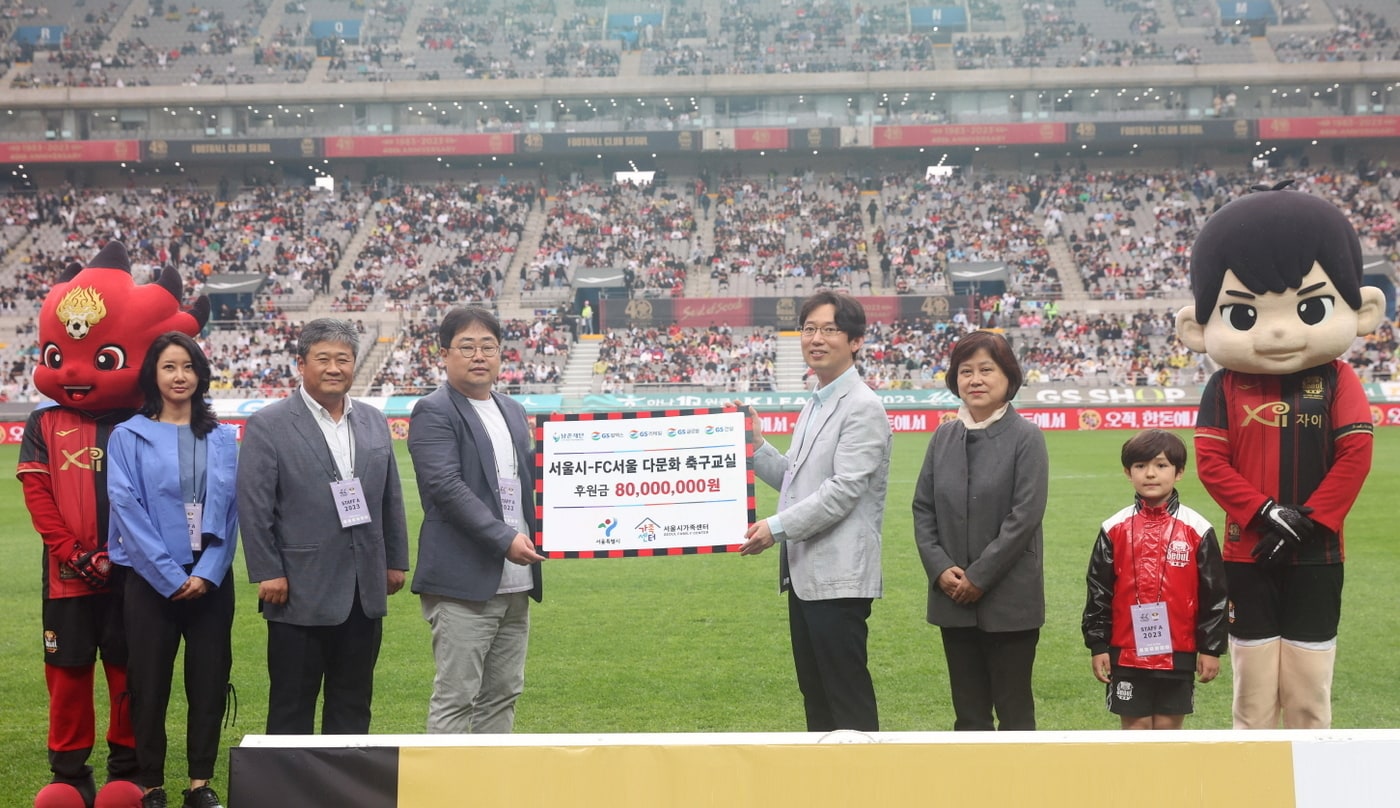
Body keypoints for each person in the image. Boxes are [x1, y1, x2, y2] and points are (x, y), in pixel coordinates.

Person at [1175, 183, 1385, 729]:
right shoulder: (1224, 386)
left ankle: (1309, 784)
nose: (1276, 330)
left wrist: (1306, 523)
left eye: (1310, 307)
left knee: (1309, 690)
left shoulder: (1339, 377)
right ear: (1198, 327)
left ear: (1361, 310)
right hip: (1248, 556)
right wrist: (1267, 514)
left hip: (1318, 555)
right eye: (1244, 315)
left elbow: (1355, 456)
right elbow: (1213, 466)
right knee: (1253, 689)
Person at [20, 241, 208, 808]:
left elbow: (164, 497)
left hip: (135, 575)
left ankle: (126, 769)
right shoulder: (43, 421)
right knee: (69, 673)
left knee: (128, 674)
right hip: (67, 577)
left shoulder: (144, 422)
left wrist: (127, 554)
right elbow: (38, 493)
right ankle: (69, 774)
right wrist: (74, 552)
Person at [238, 318, 410, 735]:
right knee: (291, 709)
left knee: (353, 706)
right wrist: (268, 571)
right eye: (323, 358)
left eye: (344, 359)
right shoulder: (270, 423)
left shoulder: (372, 421)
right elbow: (254, 505)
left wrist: (395, 561)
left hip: (362, 589)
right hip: (298, 590)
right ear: (301, 363)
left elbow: (391, 498)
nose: (334, 368)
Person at [741, 291, 891, 732]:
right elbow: (798, 478)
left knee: (845, 697)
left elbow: (843, 491)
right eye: (809, 329)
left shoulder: (863, 406)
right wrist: (756, 449)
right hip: (807, 576)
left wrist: (776, 527)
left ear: (856, 340)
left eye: (829, 329)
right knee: (818, 696)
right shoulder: (816, 401)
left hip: (840, 578)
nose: (816, 338)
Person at [107, 333, 238, 808]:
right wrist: (169, 575)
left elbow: (229, 512)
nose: (179, 376)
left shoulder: (223, 438)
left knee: (208, 681)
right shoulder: (128, 436)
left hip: (210, 580)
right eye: (169, 367)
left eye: (188, 366)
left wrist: (206, 572)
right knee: (149, 684)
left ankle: (200, 784)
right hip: (149, 582)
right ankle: (151, 785)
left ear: (201, 374)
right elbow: (126, 507)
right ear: (153, 375)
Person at [408, 306, 545, 734]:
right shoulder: (433, 410)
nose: (479, 355)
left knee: (504, 693)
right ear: (444, 354)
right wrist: (503, 538)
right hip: (462, 583)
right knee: (457, 697)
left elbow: (530, 483)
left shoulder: (512, 409)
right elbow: (445, 488)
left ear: (502, 354)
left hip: (516, 580)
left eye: (488, 346)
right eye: (466, 346)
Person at [911, 329, 1048, 731]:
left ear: (1008, 376)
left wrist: (978, 577)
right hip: (953, 599)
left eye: (986, 369)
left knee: (1015, 712)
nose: (975, 379)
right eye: (965, 371)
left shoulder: (1027, 437)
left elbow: (1024, 516)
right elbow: (923, 509)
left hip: (1011, 603)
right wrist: (940, 570)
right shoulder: (943, 437)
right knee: (968, 716)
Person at [1081, 429, 1228, 730]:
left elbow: (1216, 594)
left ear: (1179, 473)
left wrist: (1211, 648)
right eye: (1140, 466)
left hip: (1179, 652)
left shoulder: (1197, 528)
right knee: (1135, 733)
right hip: (1126, 652)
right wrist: (1098, 645)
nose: (1150, 474)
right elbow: (1098, 591)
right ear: (1127, 472)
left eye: (1161, 465)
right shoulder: (1114, 527)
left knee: (1167, 733)